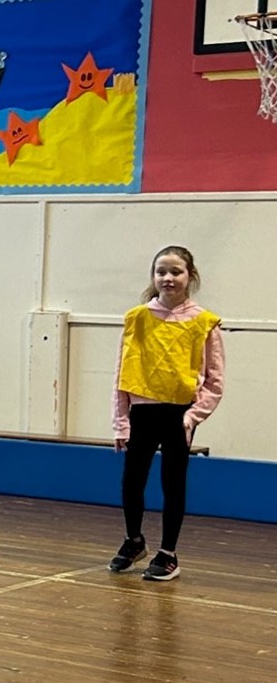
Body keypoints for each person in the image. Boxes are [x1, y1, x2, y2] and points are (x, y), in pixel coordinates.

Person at [108, 245, 224, 581]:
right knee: (132, 482)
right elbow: (122, 374)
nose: (168, 278)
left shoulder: (204, 322)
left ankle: (168, 553)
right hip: (141, 413)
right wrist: (121, 422)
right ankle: (134, 541)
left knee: (172, 484)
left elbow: (215, 381)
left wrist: (192, 416)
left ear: (190, 276)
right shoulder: (137, 318)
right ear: (153, 276)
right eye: (161, 272)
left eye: (176, 271)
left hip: (178, 414)